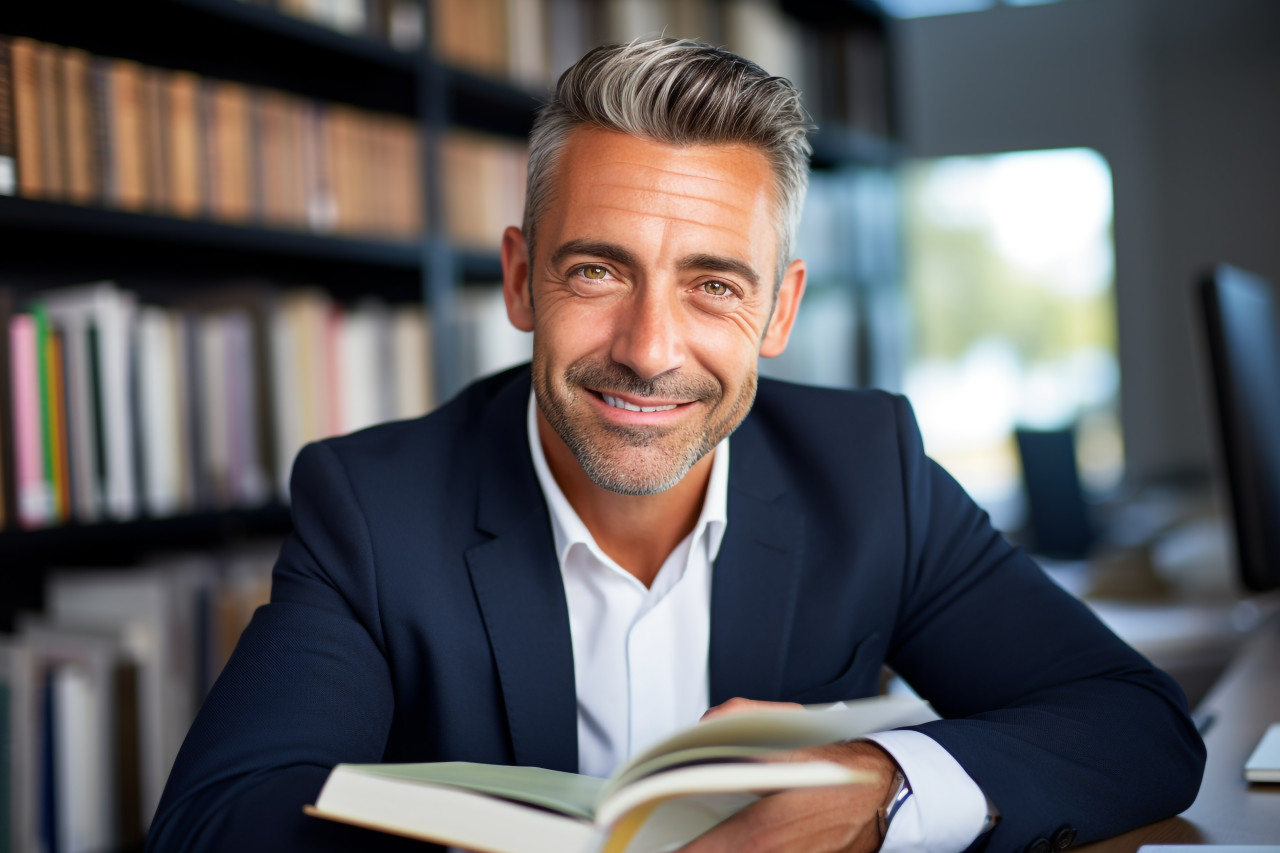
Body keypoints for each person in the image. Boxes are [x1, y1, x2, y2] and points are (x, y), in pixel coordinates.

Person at [148, 39, 1204, 853]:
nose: (649, 351)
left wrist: (874, 788)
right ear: (520, 280)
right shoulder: (373, 503)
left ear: (779, 311)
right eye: (596, 271)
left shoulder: (866, 470)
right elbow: (212, 818)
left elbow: (1133, 723)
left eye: (713, 284)